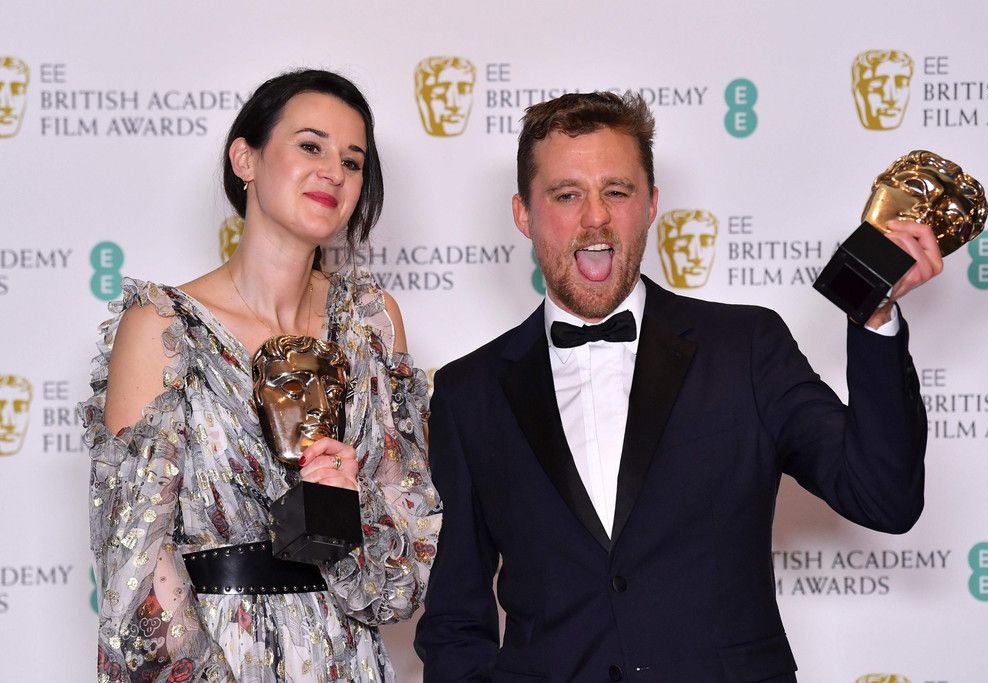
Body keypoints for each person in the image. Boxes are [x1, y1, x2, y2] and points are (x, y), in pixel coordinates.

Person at [414, 91, 940, 682]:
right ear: (523, 214)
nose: (595, 217)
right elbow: (454, 621)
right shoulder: (469, 392)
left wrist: (874, 315)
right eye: (566, 195)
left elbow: (883, 497)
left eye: (618, 192)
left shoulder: (745, 347)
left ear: (652, 205)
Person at [81, 69, 441, 682]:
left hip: (348, 661)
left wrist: (350, 510)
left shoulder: (371, 323)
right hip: (218, 659)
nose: (334, 172)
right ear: (245, 159)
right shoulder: (164, 327)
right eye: (311, 146)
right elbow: (135, 564)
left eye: (352, 162)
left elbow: (404, 579)